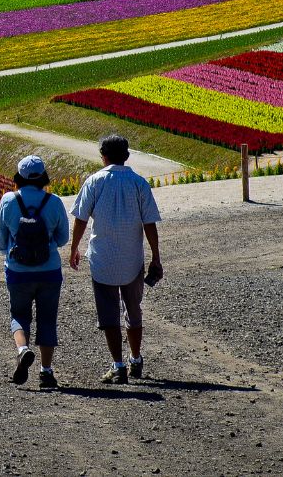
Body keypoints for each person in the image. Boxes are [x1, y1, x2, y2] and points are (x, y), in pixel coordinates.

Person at [69, 134, 163, 384]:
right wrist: (156, 256)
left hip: (102, 258)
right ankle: (135, 358)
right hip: (132, 258)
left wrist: (74, 248)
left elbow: (81, 218)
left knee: (108, 314)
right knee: (134, 311)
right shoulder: (139, 183)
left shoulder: (94, 181)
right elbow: (149, 223)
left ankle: (118, 365)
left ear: (103, 156)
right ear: (127, 156)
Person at [0, 155, 70, 388]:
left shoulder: (9, 200)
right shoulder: (54, 201)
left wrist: (10, 251)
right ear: (44, 177)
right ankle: (46, 372)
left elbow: (1, 240)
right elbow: (62, 238)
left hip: (18, 271)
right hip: (49, 271)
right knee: (47, 318)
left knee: (19, 315)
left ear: (18, 177)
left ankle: (23, 349)